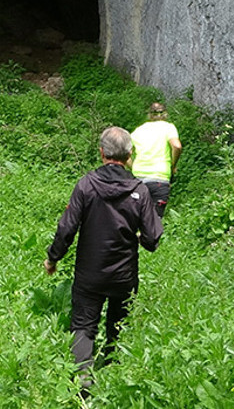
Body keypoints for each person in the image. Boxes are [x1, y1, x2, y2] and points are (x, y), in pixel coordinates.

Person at [43, 126, 162, 388]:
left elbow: (67, 228)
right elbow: (153, 239)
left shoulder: (86, 185)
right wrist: (139, 238)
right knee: (117, 325)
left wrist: (53, 259)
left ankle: (83, 379)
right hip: (124, 276)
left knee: (84, 324)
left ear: (101, 153)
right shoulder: (140, 192)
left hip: (90, 275)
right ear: (129, 155)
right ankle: (111, 375)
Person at [130, 102, 182, 217]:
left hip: (138, 180)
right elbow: (177, 146)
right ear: (165, 114)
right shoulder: (169, 128)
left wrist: (133, 166)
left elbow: (125, 152)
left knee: (136, 220)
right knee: (154, 222)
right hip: (159, 178)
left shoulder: (138, 130)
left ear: (149, 115)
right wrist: (172, 166)